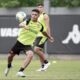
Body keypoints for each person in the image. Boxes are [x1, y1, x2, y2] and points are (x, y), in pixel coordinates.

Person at [4, 9, 53, 77]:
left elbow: (43, 32)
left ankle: (20, 71)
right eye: (32, 14)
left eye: (35, 15)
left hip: (28, 45)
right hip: (19, 43)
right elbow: (20, 24)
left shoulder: (39, 25)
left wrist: (49, 37)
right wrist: (24, 26)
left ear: (38, 16)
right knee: (10, 56)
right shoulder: (27, 21)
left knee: (30, 55)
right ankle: (9, 65)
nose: (33, 16)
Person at [34, 3, 54, 71]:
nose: (40, 8)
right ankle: (43, 67)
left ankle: (46, 62)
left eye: (41, 7)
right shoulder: (37, 16)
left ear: (43, 8)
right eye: (38, 7)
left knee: (36, 49)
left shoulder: (45, 16)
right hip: (38, 35)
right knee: (39, 51)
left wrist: (49, 36)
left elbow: (48, 26)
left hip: (43, 35)